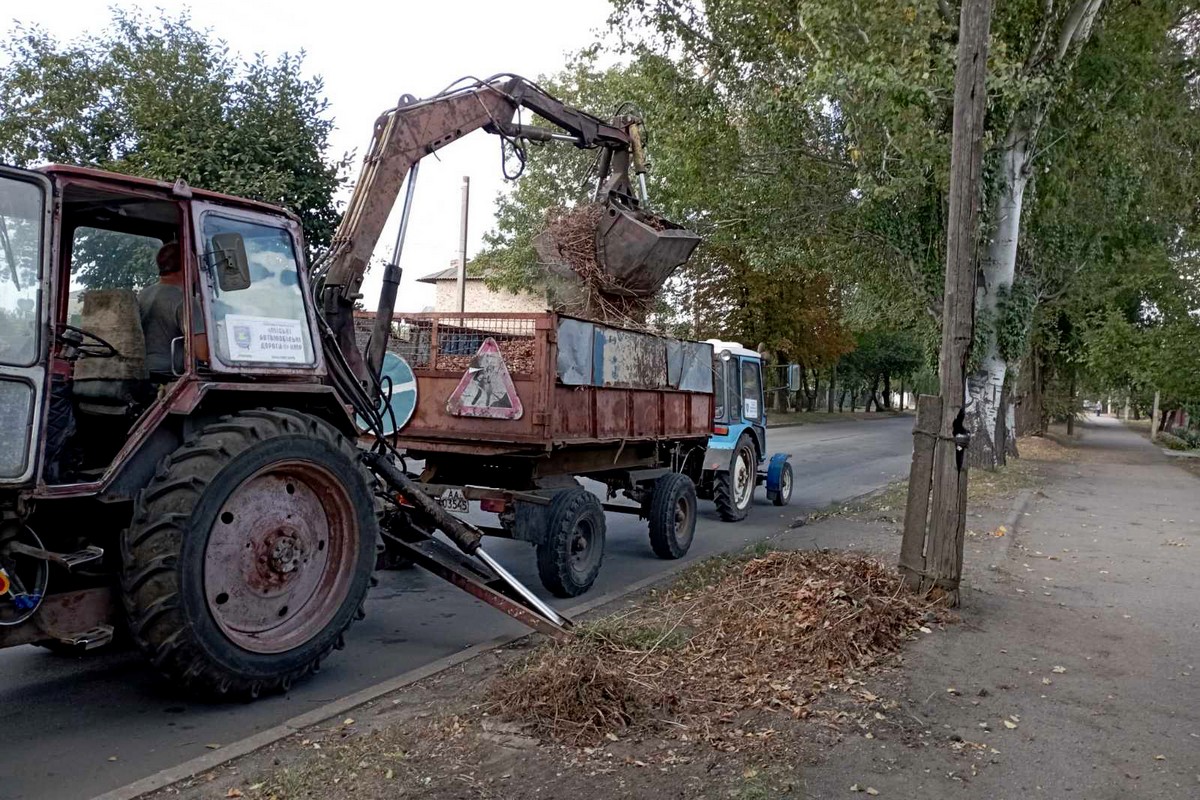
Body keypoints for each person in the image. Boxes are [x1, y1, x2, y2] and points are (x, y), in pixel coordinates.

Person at [138, 242, 208, 382]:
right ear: (187, 264)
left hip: (142, 375)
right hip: (169, 376)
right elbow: (203, 353)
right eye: (194, 261)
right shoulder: (186, 300)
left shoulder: (142, 295)